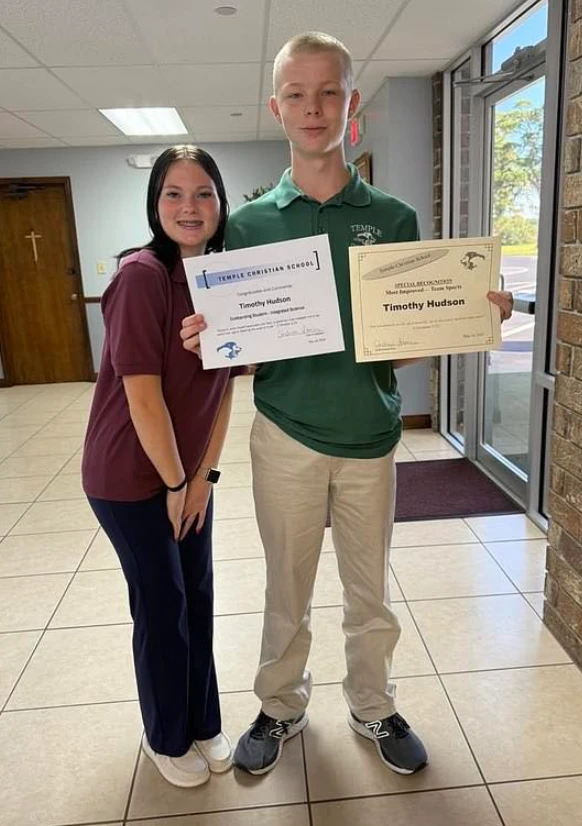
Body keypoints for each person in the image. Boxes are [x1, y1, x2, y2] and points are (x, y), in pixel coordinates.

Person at [181, 33, 514, 778]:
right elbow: (248, 349)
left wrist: (465, 318)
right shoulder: (249, 225)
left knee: (371, 593)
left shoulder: (393, 218)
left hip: (369, 436)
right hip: (286, 437)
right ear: (276, 109)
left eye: (328, 92)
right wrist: (215, 337)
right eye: (296, 94)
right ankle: (280, 706)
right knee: (286, 589)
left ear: (350, 103)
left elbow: (397, 345)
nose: (313, 108)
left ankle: (372, 704)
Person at [82, 145, 241, 789]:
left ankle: (203, 722)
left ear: (221, 203)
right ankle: (166, 736)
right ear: (155, 205)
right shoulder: (142, 277)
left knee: (197, 595)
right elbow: (142, 397)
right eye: (173, 193)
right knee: (162, 602)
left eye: (203, 193)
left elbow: (224, 391)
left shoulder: (226, 279)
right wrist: (175, 482)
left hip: (188, 474)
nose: (189, 207)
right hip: (129, 476)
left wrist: (202, 479)